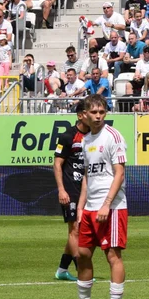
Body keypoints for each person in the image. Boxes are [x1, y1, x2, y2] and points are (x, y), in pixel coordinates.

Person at [60, 94, 128, 299]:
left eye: (102, 112)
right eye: (94, 112)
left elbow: (119, 173)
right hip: (89, 208)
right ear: (85, 114)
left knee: (112, 256)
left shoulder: (113, 137)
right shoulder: (86, 140)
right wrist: (80, 207)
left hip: (112, 207)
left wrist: (107, 205)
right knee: (82, 254)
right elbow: (88, 177)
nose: (98, 116)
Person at [52, 101, 90, 282]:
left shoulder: (95, 136)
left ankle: (61, 270)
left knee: (76, 231)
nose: (95, 116)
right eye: (89, 112)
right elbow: (57, 164)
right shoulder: (68, 136)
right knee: (75, 230)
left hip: (87, 189)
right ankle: (82, 270)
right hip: (70, 189)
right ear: (81, 115)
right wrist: (61, 189)